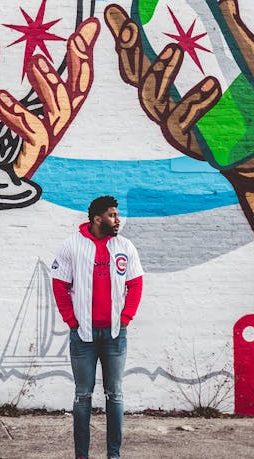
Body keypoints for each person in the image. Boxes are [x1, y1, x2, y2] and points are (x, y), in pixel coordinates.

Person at [50, 195, 144, 459]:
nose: (118, 220)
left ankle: (114, 455)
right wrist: (72, 321)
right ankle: (82, 455)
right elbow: (59, 284)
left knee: (114, 394)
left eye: (117, 214)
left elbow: (135, 283)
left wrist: (126, 318)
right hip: (83, 336)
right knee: (82, 396)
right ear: (97, 219)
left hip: (115, 335)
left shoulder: (125, 246)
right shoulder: (71, 246)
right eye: (113, 215)